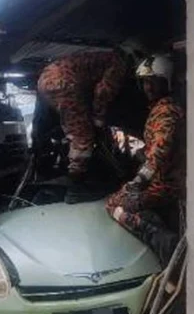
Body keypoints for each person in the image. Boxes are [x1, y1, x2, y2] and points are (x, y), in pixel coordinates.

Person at [105, 54, 182, 266]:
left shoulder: (166, 112)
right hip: (164, 181)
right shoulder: (160, 109)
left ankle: (160, 238)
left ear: (166, 82)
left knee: (114, 204)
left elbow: (160, 150)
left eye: (153, 82)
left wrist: (139, 180)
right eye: (145, 82)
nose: (148, 87)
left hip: (164, 185)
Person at [37, 49, 131, 203]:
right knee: (83, 135)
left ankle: (52, 162)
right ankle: (76, 186)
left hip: (46, 78)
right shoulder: (118, 65)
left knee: (71, 127)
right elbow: (102, 92)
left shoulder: (102, 56)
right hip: (64, 83)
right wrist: (98, 120)